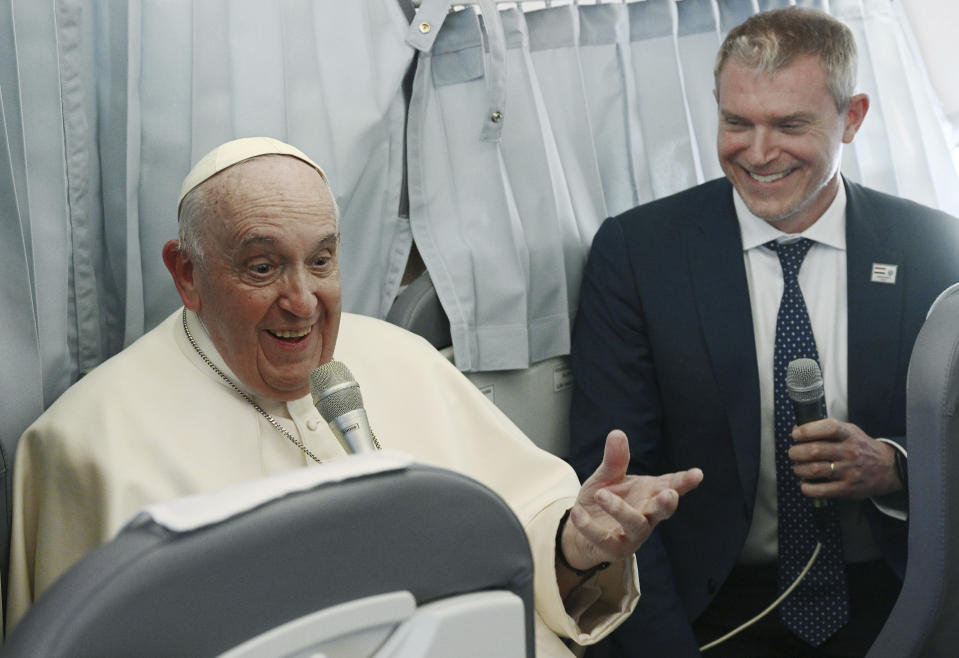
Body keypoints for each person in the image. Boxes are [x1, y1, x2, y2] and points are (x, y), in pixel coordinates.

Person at [6, 137, 702, 656]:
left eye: (321, 259)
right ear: (187, 274)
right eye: (261, 266)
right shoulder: (85, 441)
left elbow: (514, 540)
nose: (301, 302)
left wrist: (577, 545)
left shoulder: (396, 356)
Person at [568, 7, 959, 657]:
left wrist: (892, 466)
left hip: (896, 596)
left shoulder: (932, 248)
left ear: (852, 118)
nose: (756, 152)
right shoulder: (638, 254)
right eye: (735, 123)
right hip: (707, 609)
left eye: (789, 125)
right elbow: (612, 479)